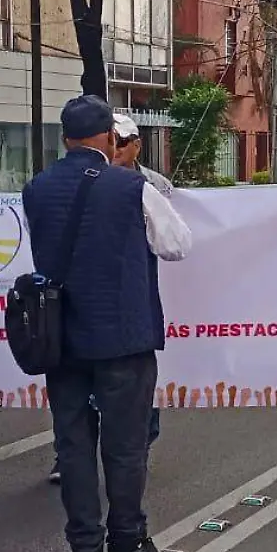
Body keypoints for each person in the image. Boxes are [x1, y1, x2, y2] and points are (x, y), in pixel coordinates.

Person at [25, 95, 193, 552]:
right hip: (123, 338)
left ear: (64, 138)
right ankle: (127, 548)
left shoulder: (37, 186)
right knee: (125, 447)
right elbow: (176, 245)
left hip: (62, 339)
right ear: (108, 139)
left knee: (73, 446)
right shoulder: (130, 186)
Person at [46, 113, 169, 485]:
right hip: (105, 325)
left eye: (125, 139)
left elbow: (173, 243)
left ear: (134, 145)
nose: (118, 147)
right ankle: (124, 534)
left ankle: (125, 466)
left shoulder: (152, 186)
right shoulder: (61, 185)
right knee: (87, 419)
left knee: (125, 422)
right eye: (113, 137)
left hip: (100, 320)